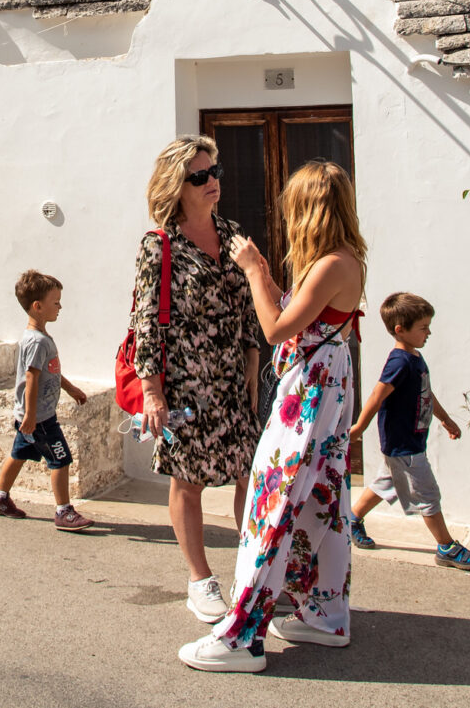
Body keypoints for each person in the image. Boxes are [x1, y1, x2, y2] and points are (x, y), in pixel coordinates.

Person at [177, 159, 368, 673]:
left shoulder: (331, 264)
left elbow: (276, 329)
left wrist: (255, 271)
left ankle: (242, 638)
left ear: (309, 209)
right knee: (321, 501)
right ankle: (325, 615)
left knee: (273, 504)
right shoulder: (342, 259)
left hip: (308, 397)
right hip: (324, 390)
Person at [133, 136, 265, 623]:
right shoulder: (160, 245)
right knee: (187, 481)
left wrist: (253, 363)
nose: (213, 182)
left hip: (234, 381)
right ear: (177, 186)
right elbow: (145, 320)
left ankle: (253, 572)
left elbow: (250, 303)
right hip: (186, 385)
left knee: (248, 478)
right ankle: (200, 580)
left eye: (215, 173)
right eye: (200, 177)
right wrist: (152, 390)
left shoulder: (234, 235)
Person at [347, 292, 470, 571]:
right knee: (427, 493)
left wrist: (445, 419)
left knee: (385, 482)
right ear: (401, 330)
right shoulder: (399, 362)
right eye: (423, 327)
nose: (429, 332)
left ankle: (351, 519)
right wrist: (359, 427)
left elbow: (426, 393)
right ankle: (446, 546)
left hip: (410, 440)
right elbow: (377, 394)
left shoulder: (415, 358)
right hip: (403, 442)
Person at [0, 269, 95, 531]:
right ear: (37, 307)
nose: (60, 307)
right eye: (55, 302)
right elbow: (32, 378)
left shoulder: (39, 338)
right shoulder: (37, 341)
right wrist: (31, 416)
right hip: (41, 419)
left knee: (20, 453)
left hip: (32, 416)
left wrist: (70, 389)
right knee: (61, 460)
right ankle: (64, 512)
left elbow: (51, 372)